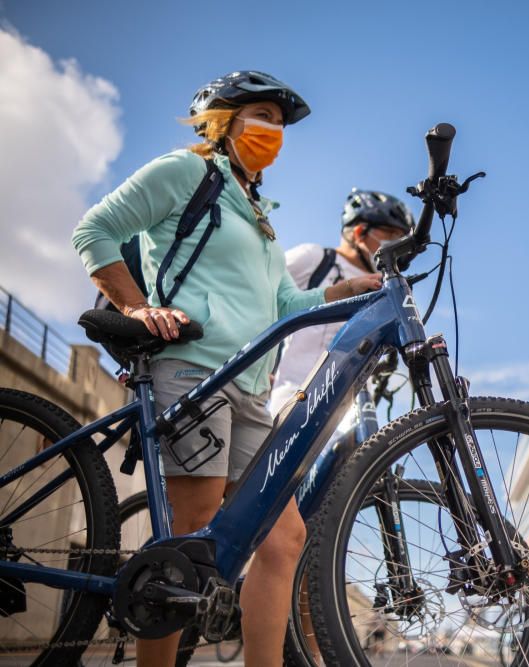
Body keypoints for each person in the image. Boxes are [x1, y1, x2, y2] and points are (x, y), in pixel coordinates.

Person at [71, 71, 381, 667]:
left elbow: (282, 307)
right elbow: (96, 229)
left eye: (280, 125)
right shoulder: (185, 172)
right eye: (263, 115)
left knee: (284, 539)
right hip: (193, 372)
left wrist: (347, 289)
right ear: (222, 119)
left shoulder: (258, 214)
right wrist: (137, 306)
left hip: (248, 387)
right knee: (191, 539)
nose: (274, 132)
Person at [269, 189, 413, 413]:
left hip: (348, 409)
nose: (398, 244)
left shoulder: (385, 288)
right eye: (391, 234)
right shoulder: (316, 258)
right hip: (294, 395)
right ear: (359, 232)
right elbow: (260, 290)